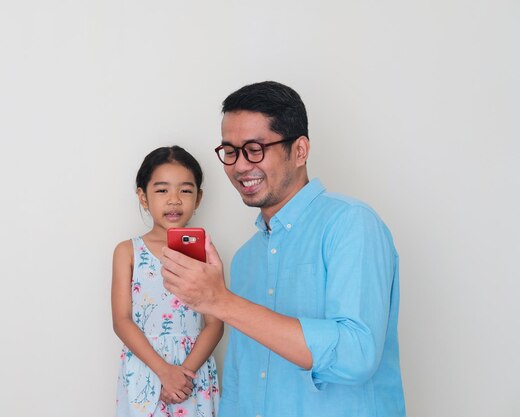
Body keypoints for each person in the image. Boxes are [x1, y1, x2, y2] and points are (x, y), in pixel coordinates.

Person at [161, 81, 406, 417]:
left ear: (300, 151)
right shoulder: (246, 258)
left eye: (255, 148)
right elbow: (242, 377)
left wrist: (220, 301)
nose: (240, 165)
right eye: (230, 151)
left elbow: (356, 355)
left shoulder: (351, 224)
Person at [112, 146, 222, 417]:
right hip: (145, 367)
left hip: (193, 372)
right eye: (162, 190)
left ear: (198, 198)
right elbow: (121, 321)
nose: (174, 200)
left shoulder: (207, 253)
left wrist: (184, 375)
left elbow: (215, 324)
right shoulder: (128, 251)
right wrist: (163, 372)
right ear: (143, 197)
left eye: (185, 190)